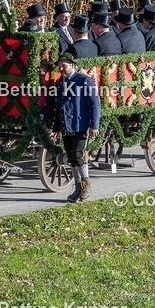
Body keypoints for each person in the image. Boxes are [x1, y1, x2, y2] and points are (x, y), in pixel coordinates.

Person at [52, 54, 101, 203]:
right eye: (60, 66)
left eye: (64, 65)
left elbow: (95, 104)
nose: (61, 68)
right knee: (71, 157)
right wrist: (57, 127)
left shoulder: (84, 81)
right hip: (66, 125)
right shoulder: (60, 83)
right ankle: (78, 188)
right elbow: (59, 107)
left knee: (78, 155)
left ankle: (86, 185)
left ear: (72, 65)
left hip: (81, 125)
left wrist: (94, 125)